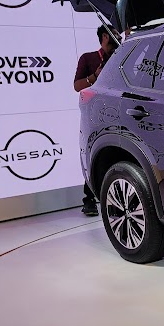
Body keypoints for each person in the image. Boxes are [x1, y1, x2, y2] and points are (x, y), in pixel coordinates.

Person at [73, 24, 118, 215]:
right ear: (105, 36)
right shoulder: (88, 58)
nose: (118, 39)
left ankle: (115, 198)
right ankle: (89, 199)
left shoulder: (121, 56)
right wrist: (94, 76)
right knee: (94, 154)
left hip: (118, 110)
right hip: (94, 113)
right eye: (115, 35)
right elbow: (77, 86)